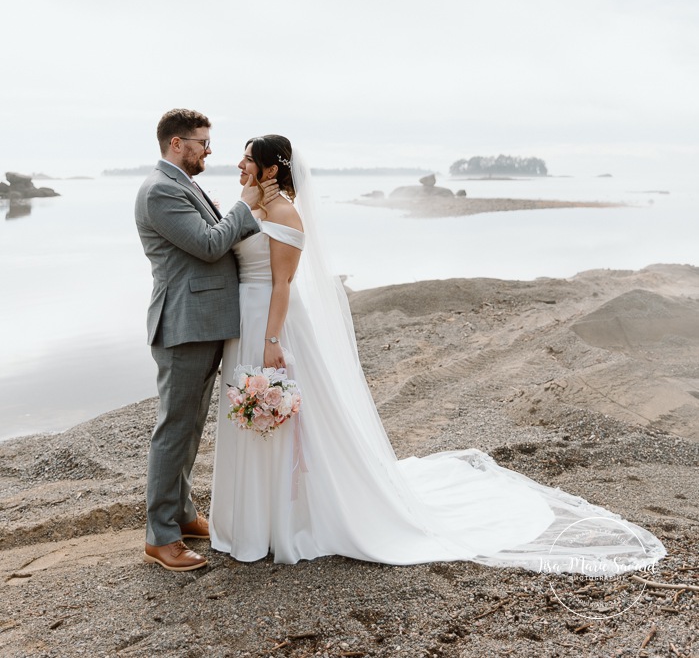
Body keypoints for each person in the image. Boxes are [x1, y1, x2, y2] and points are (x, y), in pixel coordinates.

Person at [210, 137, 666, 574]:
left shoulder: (286, 213)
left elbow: (284, 284)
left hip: (273, 321)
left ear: (271, 168)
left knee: (285, 418)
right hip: (244, 320)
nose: (239, 164)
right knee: (246, 413)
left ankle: (289, 521)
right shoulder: (250, 204)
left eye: (248, 158)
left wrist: (272, 343)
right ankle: (252, 521)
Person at [135, 108, 278, 572]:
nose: (209, 149)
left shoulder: (184, 184)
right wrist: (244, 202)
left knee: (191, 428)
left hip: (205, 322)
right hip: (183, 325)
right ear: (177, 144)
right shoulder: (160, 191)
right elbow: (211, 244)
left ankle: (181, 512)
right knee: (173, 429)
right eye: (202, 141)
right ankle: (161, 537)